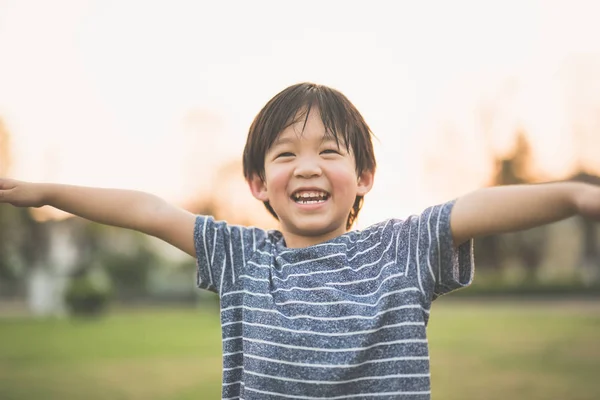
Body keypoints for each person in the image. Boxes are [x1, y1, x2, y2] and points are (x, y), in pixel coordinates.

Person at [1, 82, 599, 399]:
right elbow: (146, 209)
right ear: (259, 183)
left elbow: (475, 209)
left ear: (364, 177)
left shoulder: (402, 250)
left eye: (329, 152)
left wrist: (575, 196)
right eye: (286, 154)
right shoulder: (241, 258)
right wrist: (46, 190)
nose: (308, 167)